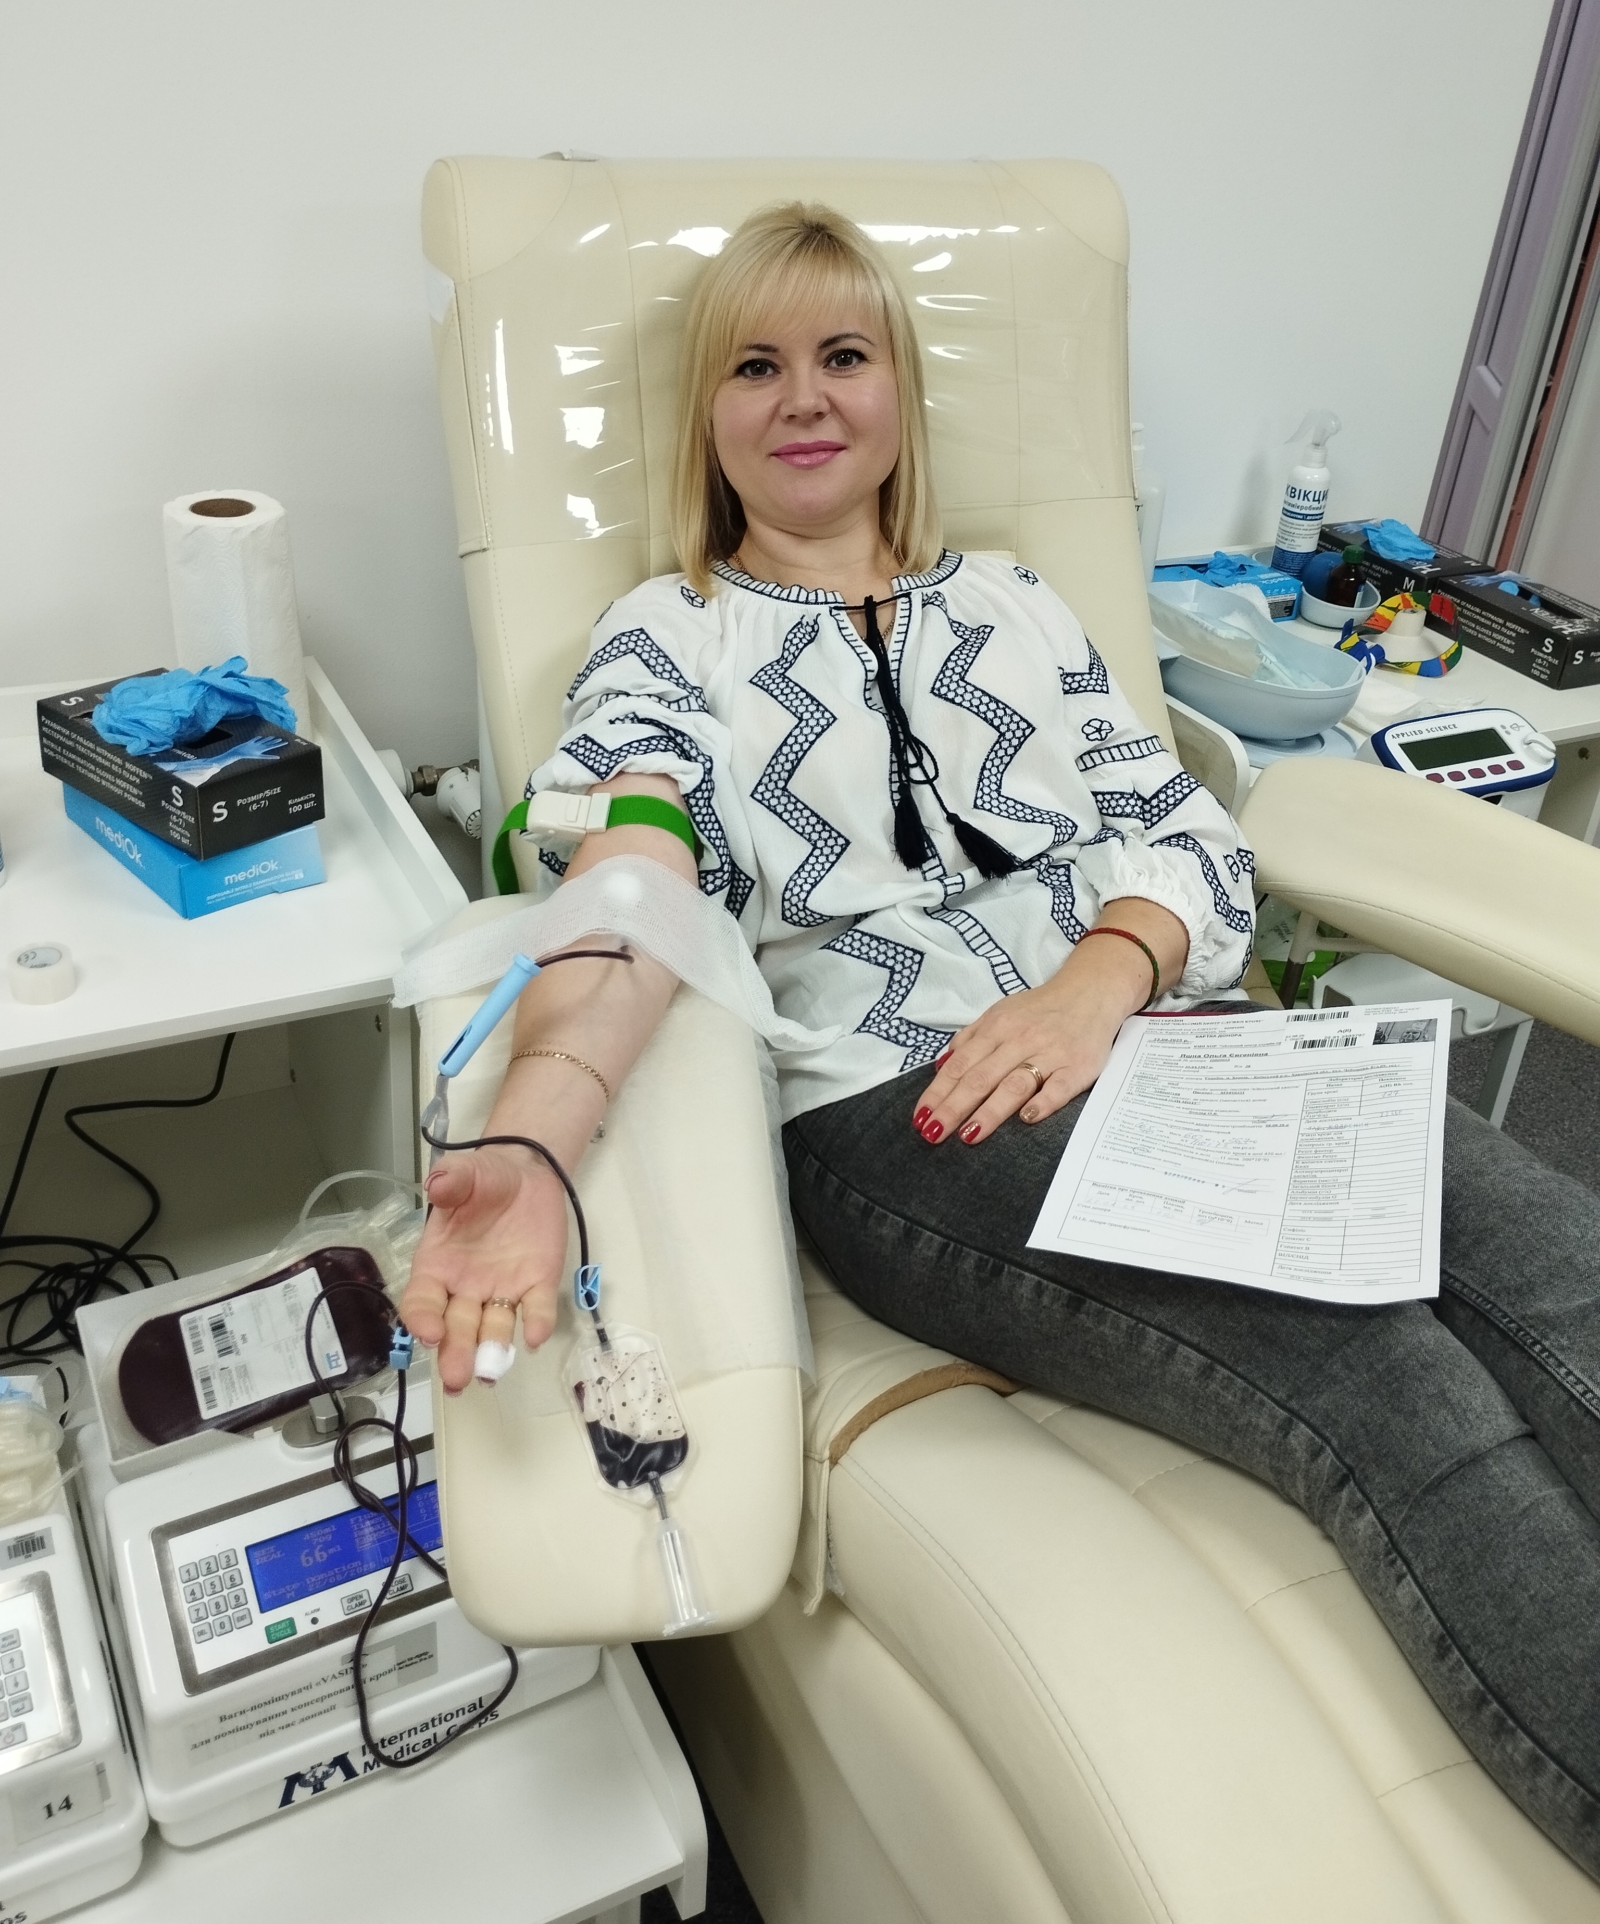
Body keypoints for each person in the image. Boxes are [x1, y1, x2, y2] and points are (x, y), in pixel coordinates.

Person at [401, 203, 1600, 1877]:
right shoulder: (668, 637)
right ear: (707, 415)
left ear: (899, 391)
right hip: (913, 1109)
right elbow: (635, 878)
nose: (802, 397)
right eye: (754, 365)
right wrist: (533, 1133)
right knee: (1382, 1370)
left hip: (1166, 1041)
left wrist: (1102, 975)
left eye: (842, 354)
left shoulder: (1019, 607)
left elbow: (1184, 834)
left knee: (1555, 1254)